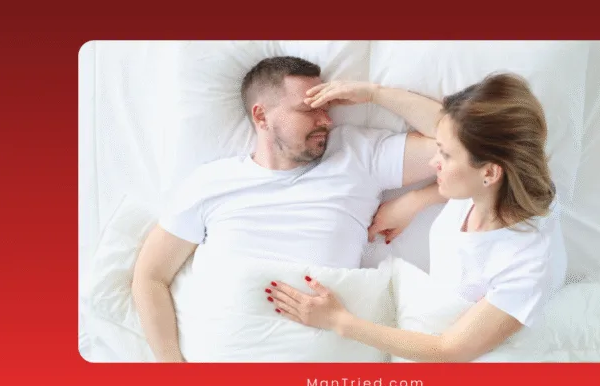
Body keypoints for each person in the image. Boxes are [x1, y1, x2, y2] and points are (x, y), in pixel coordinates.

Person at [131, 56, 441, 362]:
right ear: (262, 116)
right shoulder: (211, 183)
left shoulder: (357, 154)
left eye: (327, 108)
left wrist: (376, 95)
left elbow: (466, 144)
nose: (327, 120)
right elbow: (150, 275)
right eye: (309, 110)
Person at [266, 73, 568, 363]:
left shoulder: (525, 264)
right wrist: (374, 94)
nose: (434, 161)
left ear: (489, 172)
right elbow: (449, 127)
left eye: (445, 156)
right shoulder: (496, 184)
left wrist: (339, 321)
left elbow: (449, 350)